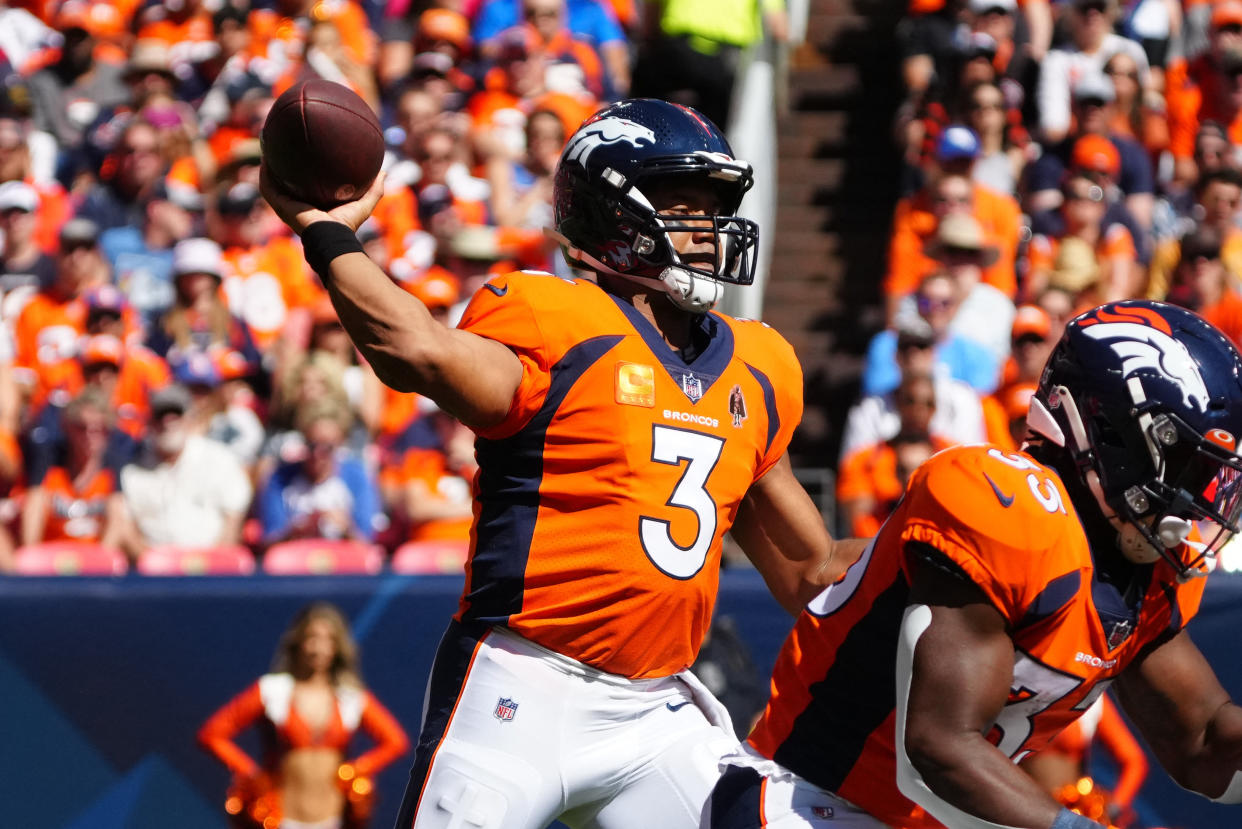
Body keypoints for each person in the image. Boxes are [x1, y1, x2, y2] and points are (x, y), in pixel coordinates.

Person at [259, 97, 864, 828]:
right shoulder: (557, 322)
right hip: (524, 680)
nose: (709, 228)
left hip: (657, 708)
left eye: (714, 206)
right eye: (684, 203)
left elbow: (809, 571)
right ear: (614, 215)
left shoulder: (760, 367)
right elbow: (415, 349)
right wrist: (326, 232)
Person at [707, 299, 1242, 829]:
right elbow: (939, 748)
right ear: (1112, 433)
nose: (1205, 493)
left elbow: (1203, 742)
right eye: (1189, 463)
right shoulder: (1009, 510)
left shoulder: (1145, 568)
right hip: (807, 803)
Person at [198, 602, 410, 829]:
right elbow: (212, 734)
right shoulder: (273, 690)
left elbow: (396, 741)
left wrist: (357, 770)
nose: (318, 648)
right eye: (311, 638)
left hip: (333, 820)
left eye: (328, 640)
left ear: (337, 647)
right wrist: (251, 774)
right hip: (282, 820)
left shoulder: (350, 698)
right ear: (297, 642)